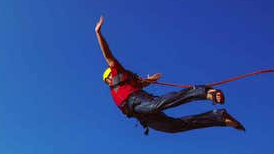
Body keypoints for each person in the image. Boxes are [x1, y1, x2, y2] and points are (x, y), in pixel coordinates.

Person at [95, 16, 245, 134]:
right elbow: (142, 83)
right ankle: (220, 118)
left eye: (107, 76)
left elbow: (108, 55)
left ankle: (205, 92)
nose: (107, 80)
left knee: (156, 104)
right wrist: (151, 79)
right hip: (140, 115)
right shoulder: (124, 84)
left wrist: (98, 33)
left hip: (137, 101)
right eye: (105, 80)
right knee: (173, 127)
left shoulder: (117, 72)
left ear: (111, 74)